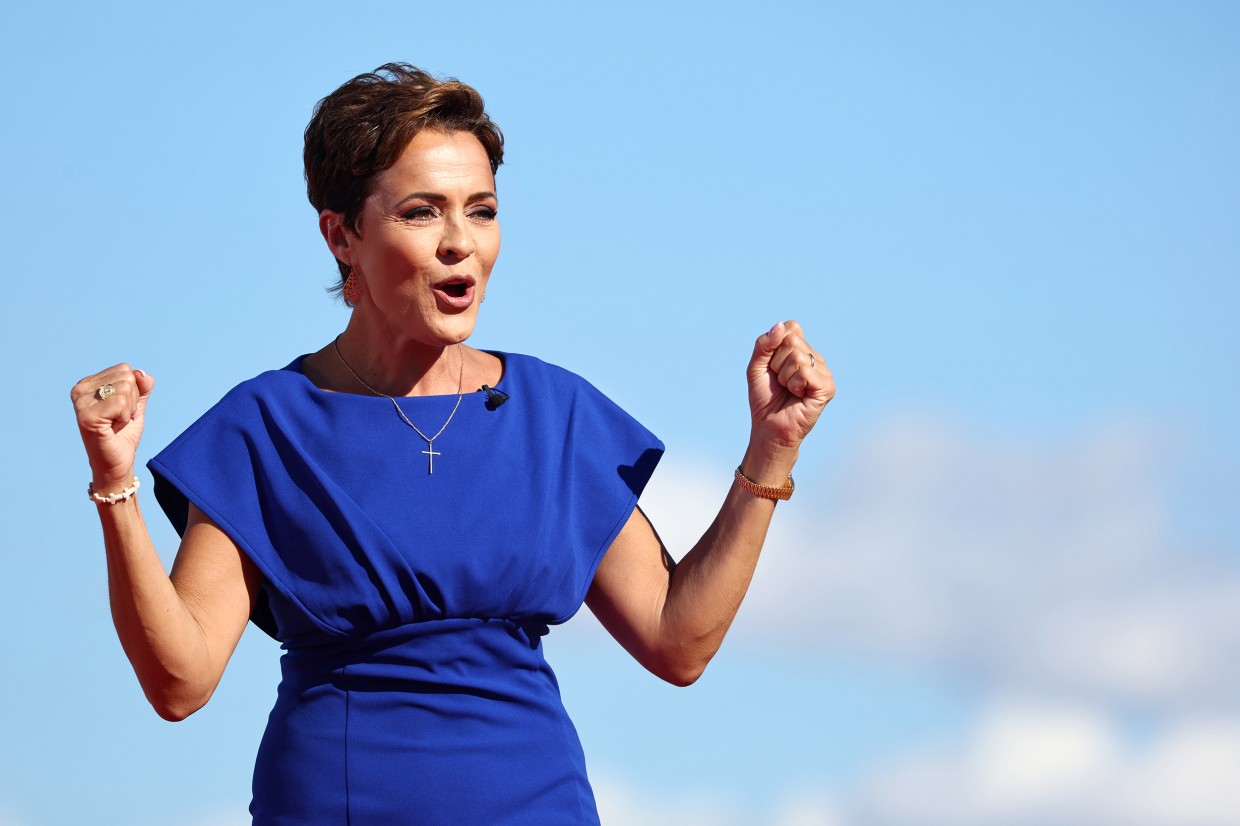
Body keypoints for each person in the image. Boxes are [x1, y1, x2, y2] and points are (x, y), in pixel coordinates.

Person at [70, 63, 834, 825]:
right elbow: (180, 682)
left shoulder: (553, 413)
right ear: (342, 236)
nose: (460, 244)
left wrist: (771, 450)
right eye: (421, 213)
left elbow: (678, 641)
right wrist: (115, 483)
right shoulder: (266, 428)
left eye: (482, 210)